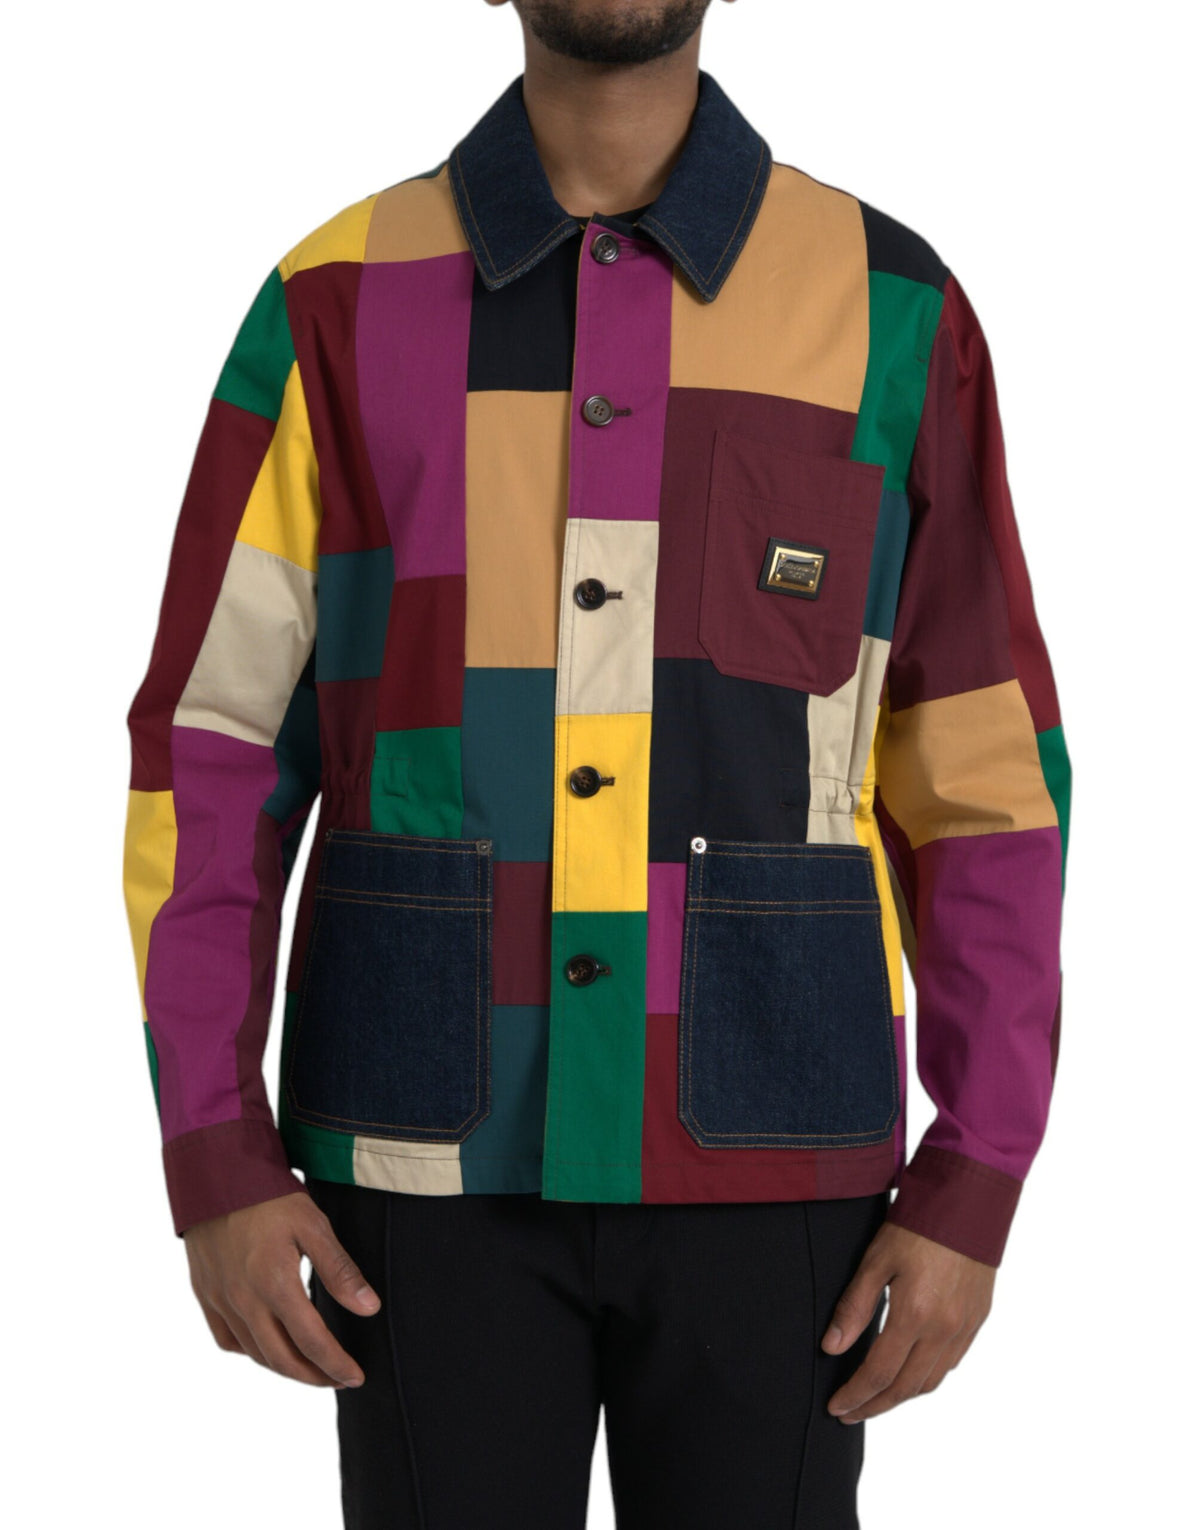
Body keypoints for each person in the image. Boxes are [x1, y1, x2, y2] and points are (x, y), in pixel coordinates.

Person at [121, 2, 1071, 1525]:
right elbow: (212, 744)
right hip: (422, 1151)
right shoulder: (332, 300)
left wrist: (979, 1172)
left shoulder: (890, 304)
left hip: (776, 1142)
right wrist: (214, 1147)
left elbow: (984, 773)